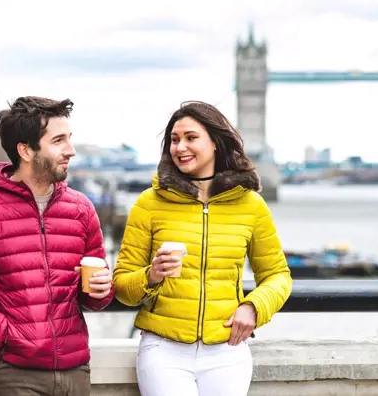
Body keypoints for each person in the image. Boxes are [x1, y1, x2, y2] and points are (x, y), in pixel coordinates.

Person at [0, 96, 114, 396]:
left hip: (76, 370)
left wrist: (102, 289)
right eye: (58, 141)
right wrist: (7, 334)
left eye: (69, 139)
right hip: (13, 373)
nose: (71, 150)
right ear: (25, 150)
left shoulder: (82, 209)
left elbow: (94, 299)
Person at [113, 101, 293, 395]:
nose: (180, 147)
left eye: (190, 137)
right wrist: (152, 274)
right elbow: (122, 286)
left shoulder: (251, 205)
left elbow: (278, 275)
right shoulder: (149, 203)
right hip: (163, 350)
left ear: (216, 142)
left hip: (227, 350)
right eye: (174, 139)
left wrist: (253, 306)